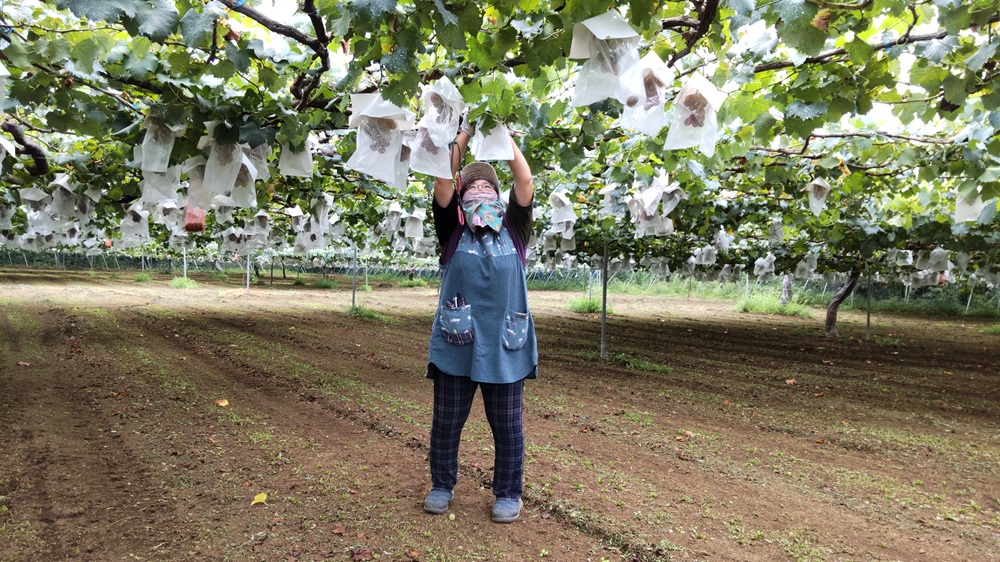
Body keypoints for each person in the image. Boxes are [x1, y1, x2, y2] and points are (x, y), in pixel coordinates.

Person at [423, 121, 537, 523]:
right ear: (461, 198)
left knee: (507, 427)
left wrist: (502, 136)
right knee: (446, 422)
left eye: (488, 187)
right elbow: (441, 178)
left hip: (506, 344)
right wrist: (467, 133)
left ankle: (508, 492)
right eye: (472, 187)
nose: (480, 191)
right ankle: (441, 484)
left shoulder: (515, 230)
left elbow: (524, 180)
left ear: (500, 198)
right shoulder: (453, 231)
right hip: (459, 344)